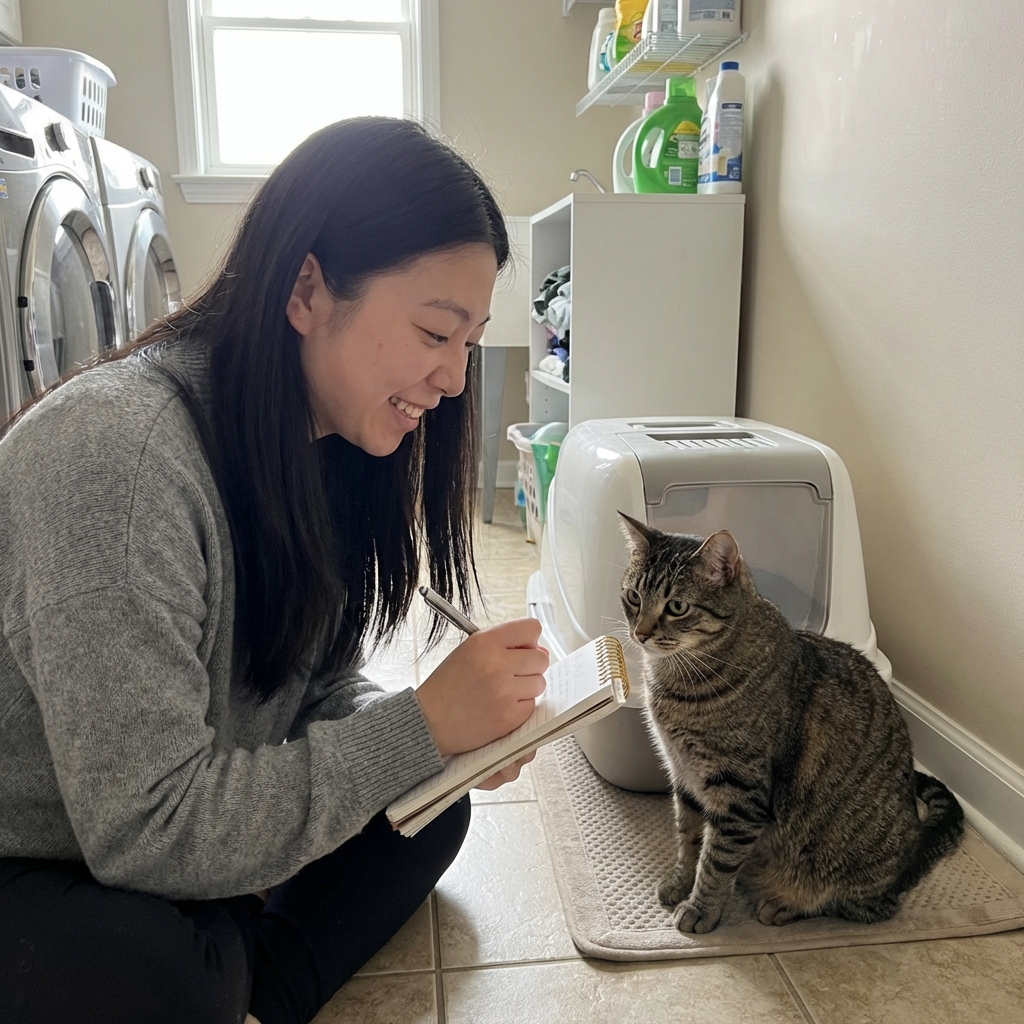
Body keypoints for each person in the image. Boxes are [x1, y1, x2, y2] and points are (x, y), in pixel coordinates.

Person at [0, 117, 548, 1024]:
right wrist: (417, 728)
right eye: (433, 332)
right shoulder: (118, 458)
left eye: (469, 341)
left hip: (151, 831)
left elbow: (311, 687)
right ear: (306, 289)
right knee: (164, 976)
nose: (453, 379)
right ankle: (230, 965)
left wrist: (430, 734)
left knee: (430, 809)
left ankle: (245, 983)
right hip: (46, 848)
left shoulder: (324, 442)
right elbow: (146, 830)